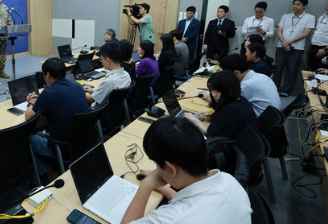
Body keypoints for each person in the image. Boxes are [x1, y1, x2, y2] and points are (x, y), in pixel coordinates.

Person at [120, 117, 252, 224]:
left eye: (156, 164)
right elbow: (190, 201)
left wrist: (146, 185)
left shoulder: (172, 218)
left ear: (171, 168)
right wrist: (161, 186)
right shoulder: (229, 179)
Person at [25, 58, 89, 175]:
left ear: (48, 75)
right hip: (82, 140)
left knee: (25, 139)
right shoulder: (77, 85)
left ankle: (51, 173)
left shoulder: (48, 93)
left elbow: (28, 117)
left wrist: (32, 102)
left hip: (61, 146)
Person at [183, 71, 257, 138]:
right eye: (212, 89)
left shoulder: (231, 109)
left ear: (229, 90)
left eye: (218, 91)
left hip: (234, 146)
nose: (213, 94)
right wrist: (214, 117)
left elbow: (210, 134)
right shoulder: (240, 99)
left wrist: (195, 120)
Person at [274, 0, 315, 97]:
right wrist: (284, 42)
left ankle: (287, 90)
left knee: (292, 69)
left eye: (298, 4)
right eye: (294, 4)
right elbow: (279, 31)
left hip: (297, 48)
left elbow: (305, 33)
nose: (295, 6)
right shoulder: (286, 16)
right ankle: (274, 88)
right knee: (277, 68)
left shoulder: (310, 17)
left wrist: (289, 42)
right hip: (281, 46)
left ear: (304, 6)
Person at [220, 54, 281, 119]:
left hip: (260, 122)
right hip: (273, 118)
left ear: (236, 72)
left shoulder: (246, 85)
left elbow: (227, 105)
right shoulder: (262, 76)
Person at [84, 42, 131, 107]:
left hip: (97, 112)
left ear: (108, 60)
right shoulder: (126, 75)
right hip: (115, 110)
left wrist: (79, 92)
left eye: (102, 59)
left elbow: (91, 99)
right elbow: (110, 93)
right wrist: (94, 90)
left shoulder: (109, 82)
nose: (102, 61)